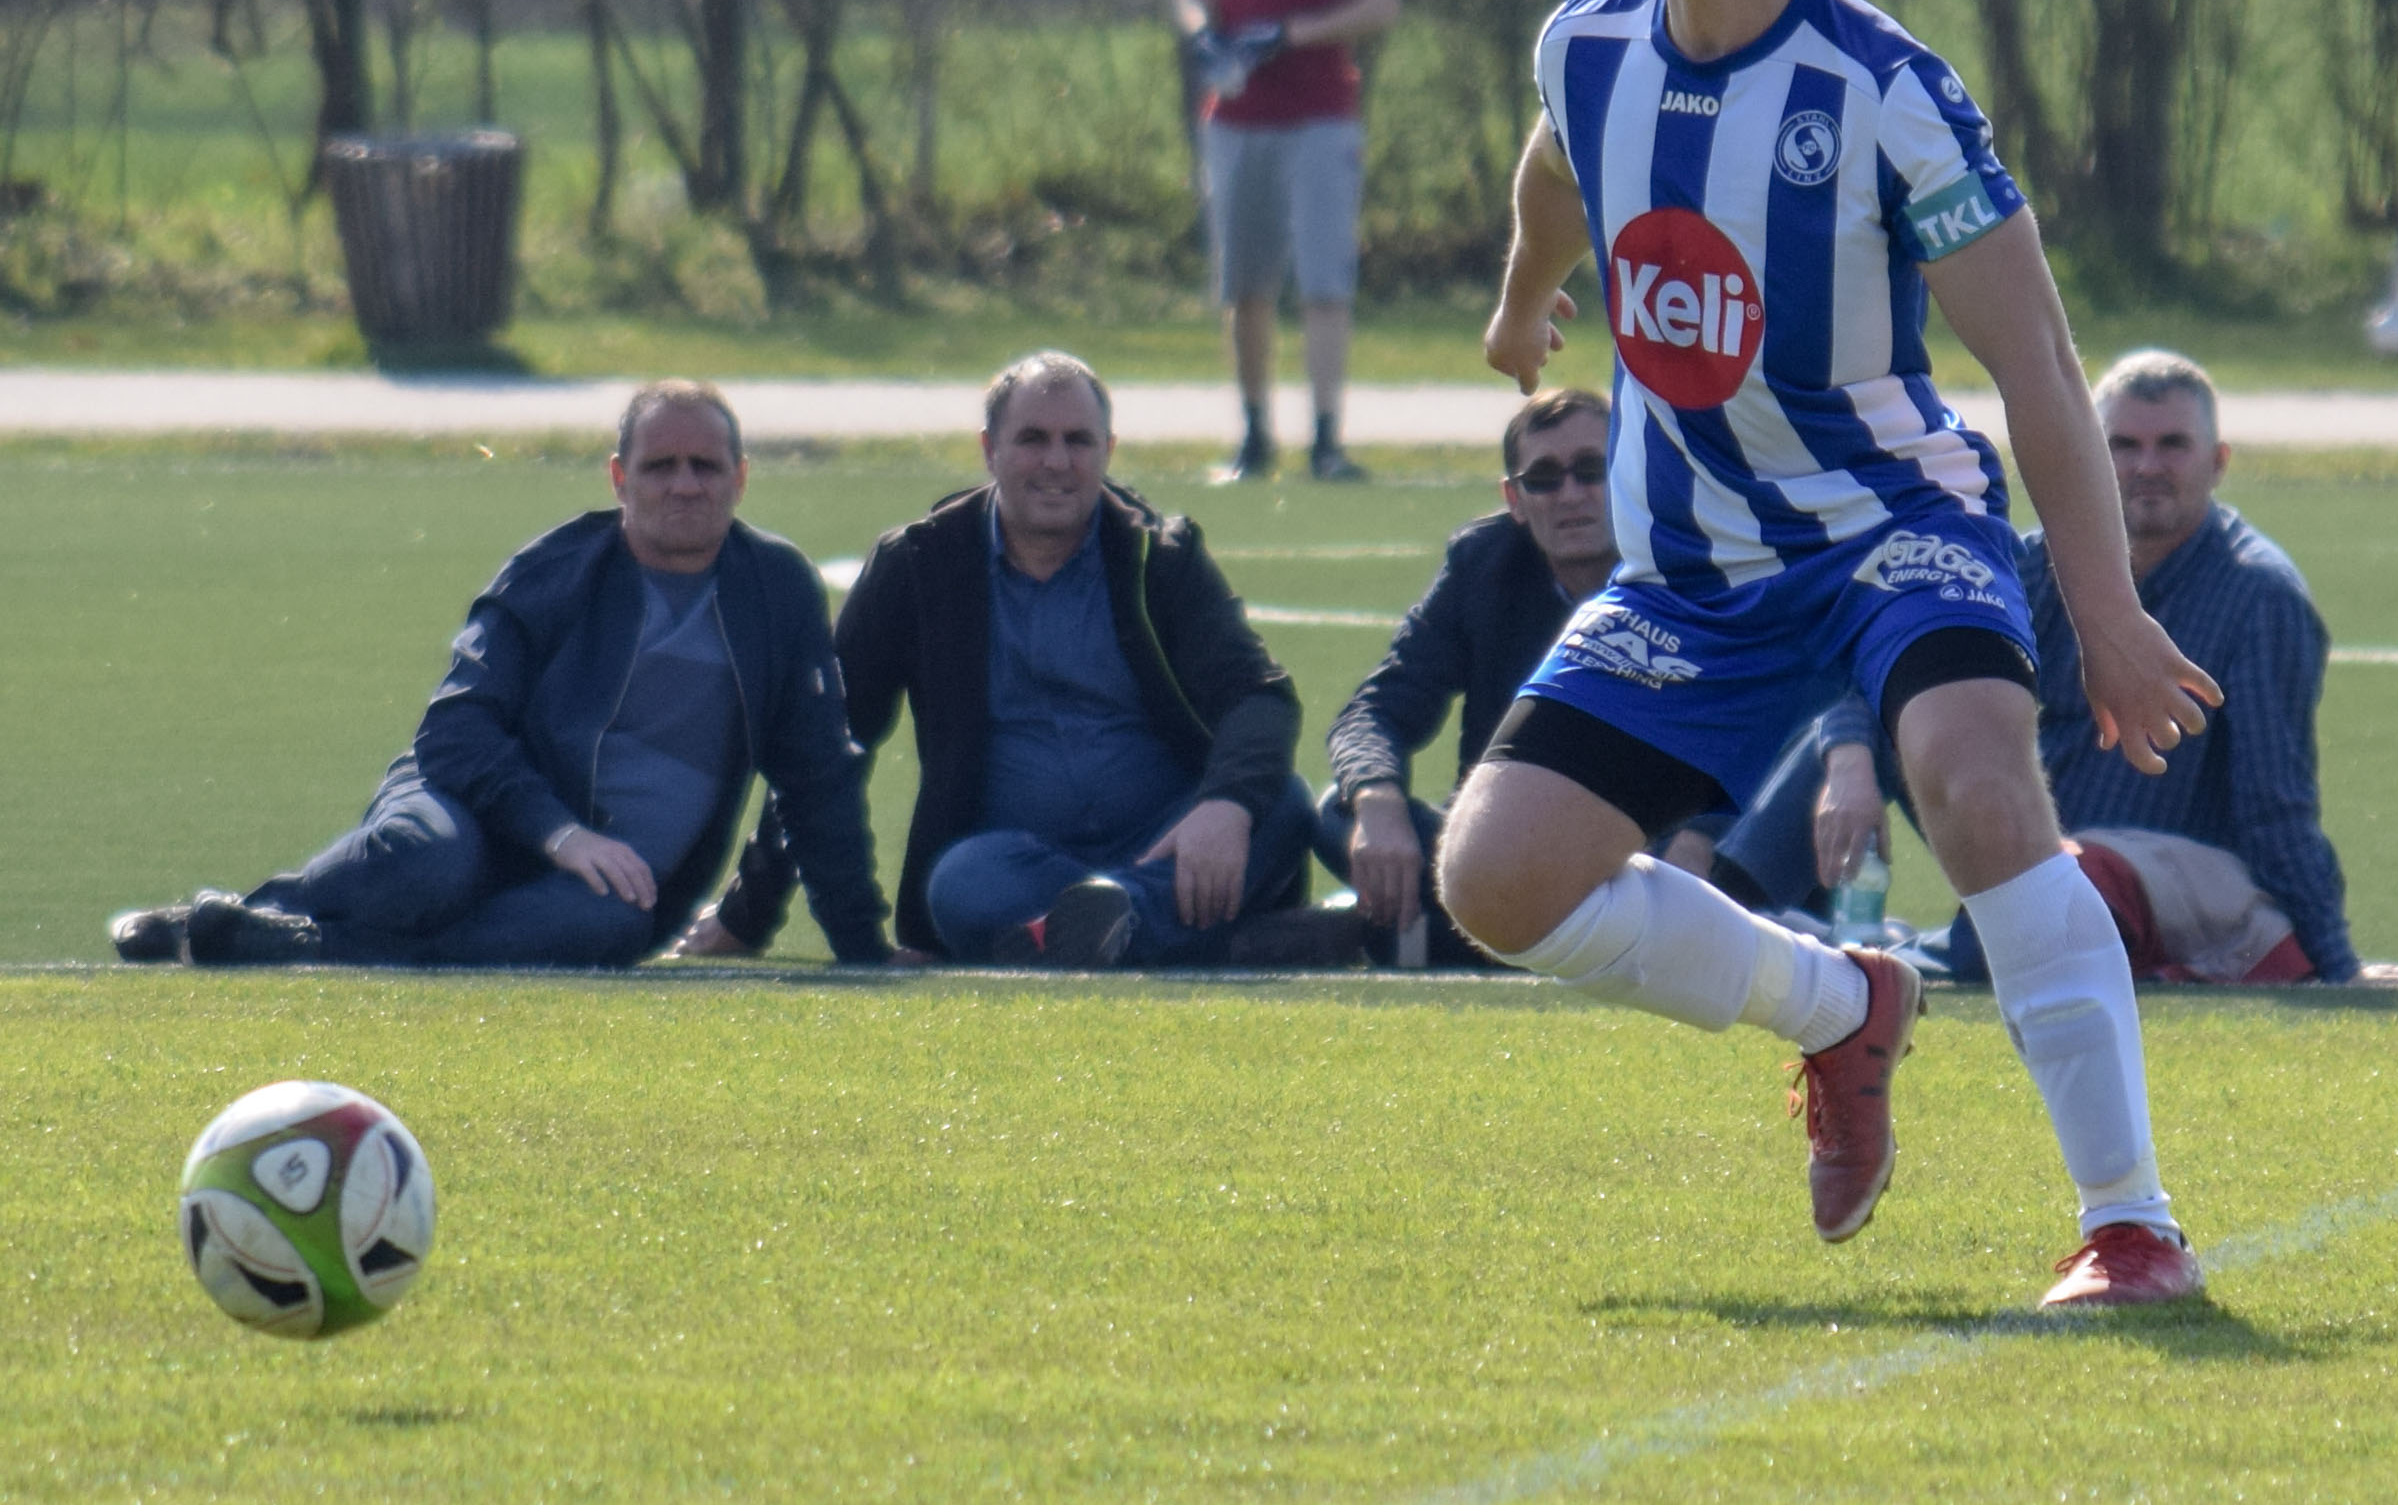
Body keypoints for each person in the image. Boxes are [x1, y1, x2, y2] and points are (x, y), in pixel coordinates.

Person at [1431, 0, 2221, 1311]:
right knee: (1492, 881)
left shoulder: (1883, 90)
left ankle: (2128, 1225)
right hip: (1689, 574)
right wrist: (1521, 302)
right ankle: (1839, 1005)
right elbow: (1555, 168)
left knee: (1977, 788)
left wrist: (2107, 615)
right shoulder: (1586, 44)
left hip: (1890, 533)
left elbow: (2037, 363)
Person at [111, 381, 892, 971]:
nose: (684, 484)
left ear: (740, 478)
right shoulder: (553, 571)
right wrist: (560, 833)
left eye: (705, 467)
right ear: (619, 479)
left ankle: (287, 946)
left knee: (608, 928)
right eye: (660, 466)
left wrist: (862, 947)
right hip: (471, 809)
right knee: (432, 863)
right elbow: (454, 731)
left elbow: (815, 777)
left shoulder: (777, 591)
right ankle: (239, 919)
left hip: (612, 889)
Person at [1724, 349, 2398, 989]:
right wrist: (1850, 766)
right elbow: (1880, 659)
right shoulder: (2038, 565)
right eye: (2123, 445)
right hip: (2035, 842)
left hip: (2155, 878)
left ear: (2217, 462)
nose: (2147, 466)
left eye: (2172, 445)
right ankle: (1722, 908)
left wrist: (2337, 966)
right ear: (2089, 455)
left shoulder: (2257, 596)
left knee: (2026, 931)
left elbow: (2274, 804)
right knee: (1861, 715)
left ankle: (1858, 956)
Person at [693, 353, 1341, 970]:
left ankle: (1108, 925)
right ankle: (1204, 939)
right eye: (1033, 439)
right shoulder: (919, 564)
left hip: (1165, 844)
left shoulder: (1160, 557)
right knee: (959, 884)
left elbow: (1257, 696)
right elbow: (823, 745)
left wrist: (1223, 806)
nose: (1056, 461)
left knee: (1280, 804)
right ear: (989, 450)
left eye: (1078, 441)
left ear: (1108, 452)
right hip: (1018, 863)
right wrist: (747, 914)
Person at [1318, 383, 1624, 966]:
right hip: (1499, 851)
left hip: (1637, 851)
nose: (1570, 494)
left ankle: (1430, 940)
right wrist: (1378, 801)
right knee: (1341, 808)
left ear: (1632, 474)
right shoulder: (1481, 565)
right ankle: (1484, 938)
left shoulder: (1680, 573)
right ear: (1515, 498)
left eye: (1592, 470)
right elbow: (1377, 710)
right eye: (1543, 478)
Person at [1173, 0, 1402, 484]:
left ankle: (1326, 442)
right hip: (1238, 117)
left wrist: (1289, 34)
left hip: (1318, 117)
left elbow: (1380, 3)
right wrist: (1202, 29)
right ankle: (1253, 438)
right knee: (1244, 285)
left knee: (1324, 284)